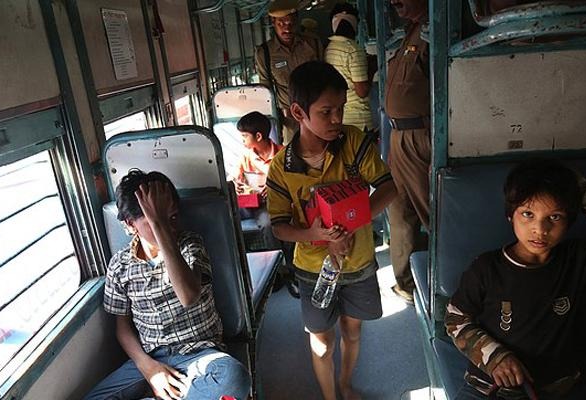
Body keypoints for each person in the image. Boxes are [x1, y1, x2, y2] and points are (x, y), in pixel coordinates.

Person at [444, 160, 586, 399]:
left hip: (552, 388)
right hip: (486, 386)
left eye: (554, 217)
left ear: (569, 221)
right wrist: (495, 358)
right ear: (510, 216)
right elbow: (455, 320)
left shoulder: (579, 259)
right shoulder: (487, 267)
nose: (540, 229)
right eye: (527, 214)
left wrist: (582, 191)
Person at [266, 61, 397, 400]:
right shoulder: (281, 168)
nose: (337, 119)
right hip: (313, 269)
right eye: (326, 112)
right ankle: (330, 396)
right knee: (322, 343)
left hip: (358, 263)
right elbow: (280, 227)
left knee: (352, 332)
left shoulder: (353, 142)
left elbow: (388, 187)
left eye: (341, 108)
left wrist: (349, 220)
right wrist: (315, 235)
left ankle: (345, 384)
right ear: (298, 112)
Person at [85, 170, 251, 400]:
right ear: (131, 224)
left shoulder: (190, 245)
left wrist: (159, 224)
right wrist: (149, 369)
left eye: (172, 218)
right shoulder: (119, 266)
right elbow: (122, 328)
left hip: (200, 355)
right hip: (151, 359)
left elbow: (188, 296)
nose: (170, 227)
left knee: (234, 378)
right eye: (154, 222)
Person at [385, 0, 431, 305]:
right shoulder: (412, 31)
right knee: (399, 210)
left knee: (432, 213)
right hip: (399, 135)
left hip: (420, 135)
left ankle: (447, 283)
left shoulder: (434, 29)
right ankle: (406, 282)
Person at [233, 111, 300, 298]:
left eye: (244, 136)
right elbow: (236, 179)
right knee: (267, 222)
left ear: (258, 136)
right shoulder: (246, 157)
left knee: (280, 222)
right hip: (258, 205)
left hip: (284, 204)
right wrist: (238, 185)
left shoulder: (284, 154)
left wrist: (274, 188)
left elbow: (295, 183)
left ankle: (289, 269)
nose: (242, 140)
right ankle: (278, 269)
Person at [254, 0, 323, 145]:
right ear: (273, 22)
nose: (287, 29)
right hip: (289, 121)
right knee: (294, 154)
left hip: (317, 113)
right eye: (281, 24)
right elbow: (266, 90)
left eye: (290, 23)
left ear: (297, 21)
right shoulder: (265, 53)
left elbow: (325, 77)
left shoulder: (313, 44)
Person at [324, 3, 373, 131]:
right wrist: (372, 68)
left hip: (341, 116)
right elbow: (362, 92)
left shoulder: (329, 48)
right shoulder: (353, 50)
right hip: (359, 118)